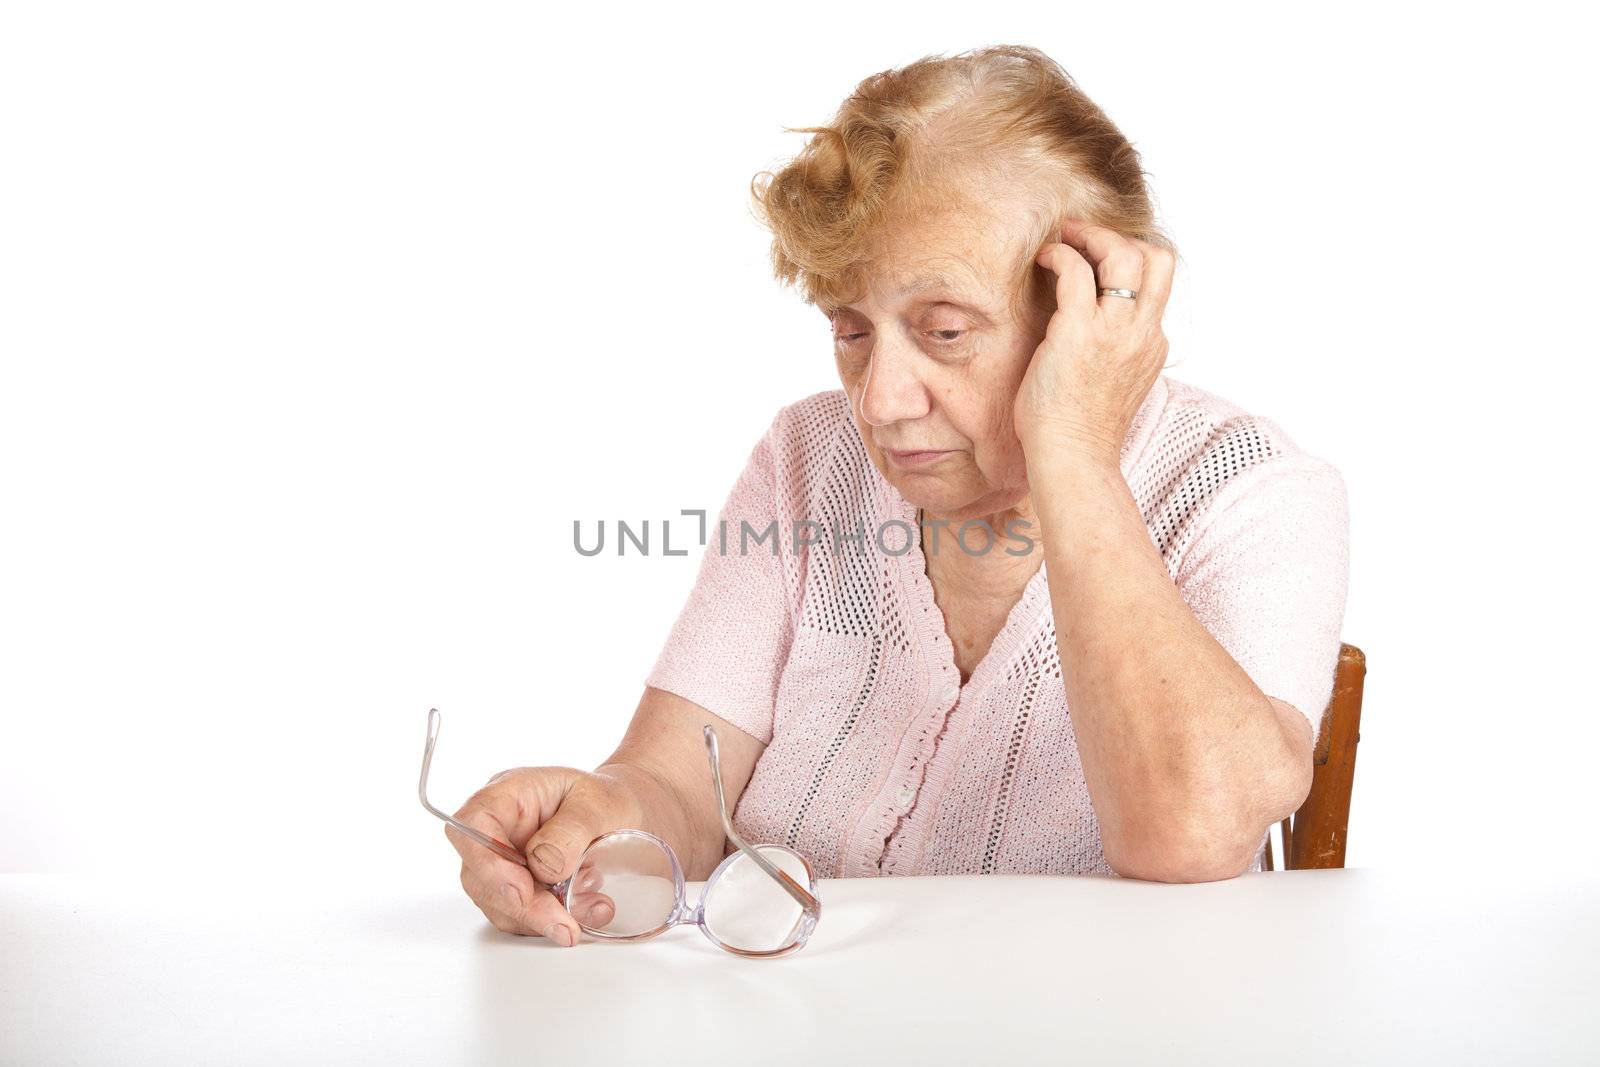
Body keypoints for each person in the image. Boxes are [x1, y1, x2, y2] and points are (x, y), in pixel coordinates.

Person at [446, 44, 1349, 947]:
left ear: (1091, 308)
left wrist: (1071, 448)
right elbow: (676, 785)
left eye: (945, 330)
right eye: (850, 330)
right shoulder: (807, 458)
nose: (878, 401)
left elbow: (1193, 833)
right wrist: (597, 818)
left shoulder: (1254, 492)